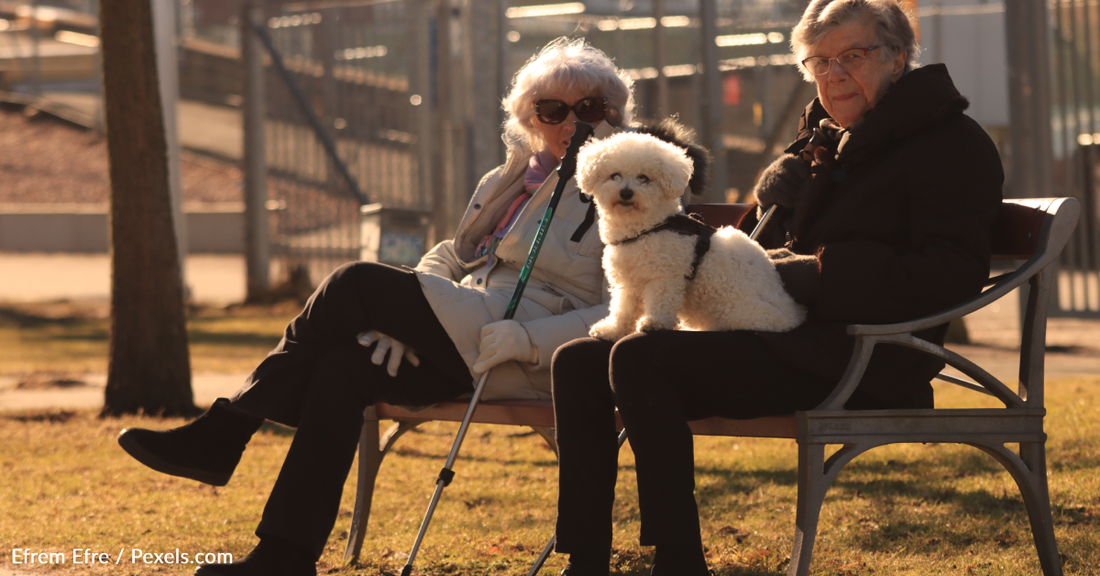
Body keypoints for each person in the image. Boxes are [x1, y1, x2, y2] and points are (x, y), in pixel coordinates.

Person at [116, 37, 635, 576]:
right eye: (553, 110)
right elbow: (452, 257)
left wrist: (523, 339)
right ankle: (283, 557)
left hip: (522, 354)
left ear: (613, 115)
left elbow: (623, 311)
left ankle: (226, 432)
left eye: (589, 109)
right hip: (465, 326)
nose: (570, 122)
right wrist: (402, 320)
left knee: (354, 283)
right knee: (344, 366)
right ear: (530, 118)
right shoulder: (507, 179)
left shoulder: (626, 187)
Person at [550, 1, 1004, 575]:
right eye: (818, 61)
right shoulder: (828, 137)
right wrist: (770, 203)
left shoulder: (950, 143)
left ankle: (679, 559)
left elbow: (950, 272)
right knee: (578, 362)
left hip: (863, 353)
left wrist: (819, 272)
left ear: (897, 57)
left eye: (853, 56)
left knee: (643, 357)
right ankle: (586, 559)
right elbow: (743, 261)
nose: (833, 74)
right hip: (781, 335)